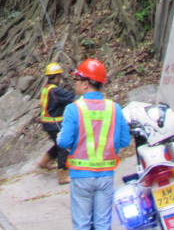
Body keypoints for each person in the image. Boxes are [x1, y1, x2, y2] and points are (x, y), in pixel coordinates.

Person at [56, 58, 131, 231]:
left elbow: (64, 141)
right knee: (103, 225)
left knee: (82, 225)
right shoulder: (114, 108)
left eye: (77, 79)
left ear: (86, 84)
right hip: (105, 175)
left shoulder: (73, 109)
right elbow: (125, 141)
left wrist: (60, 137)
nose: (75, 83)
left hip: (81, 176)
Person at [37, 61, 76, 184]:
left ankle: (44, 161)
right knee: (63, 146)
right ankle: (62, 175)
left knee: (58, 143)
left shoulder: (46, 89)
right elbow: (71, 97)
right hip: (54, 123)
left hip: (47, 123)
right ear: (57, 76)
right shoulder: (55, 91)